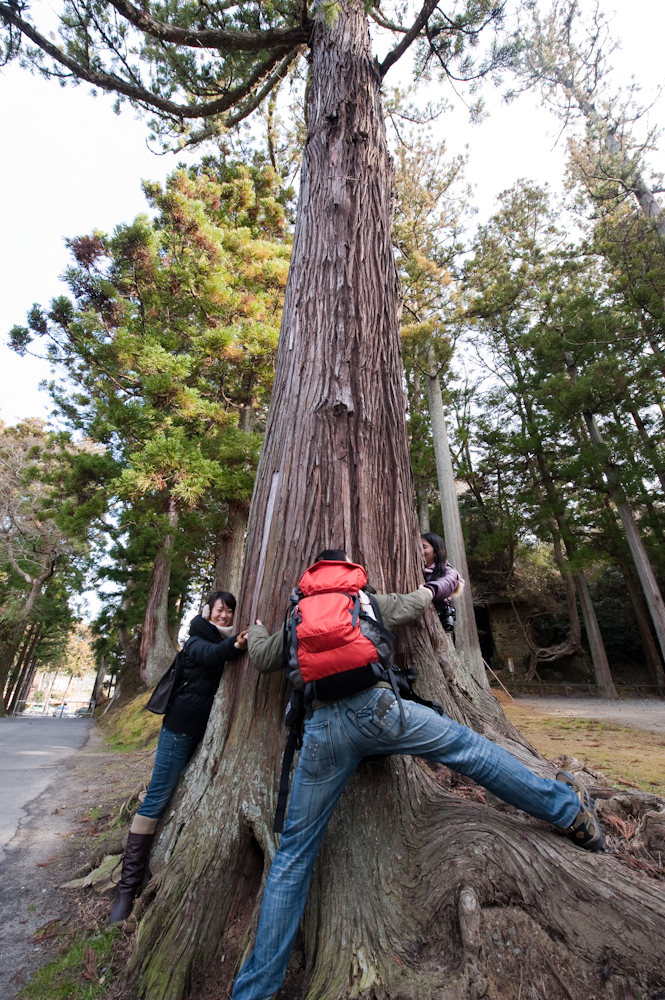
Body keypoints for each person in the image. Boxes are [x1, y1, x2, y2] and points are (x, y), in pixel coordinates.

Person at [230, 549, 604, 1000]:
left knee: (292, 857)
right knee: (470, 751)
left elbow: (266, 658)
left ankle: (254, 992)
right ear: (348, 569)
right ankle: (568, 811)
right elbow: (410, 605)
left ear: (310, 577)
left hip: (323, 731)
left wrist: (255, 630)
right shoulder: (362, 599)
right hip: (382, 711)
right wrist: (436, 586)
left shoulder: (297, 614)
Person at [109, 590, 248, 924]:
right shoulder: (198, 637)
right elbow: (213, 654)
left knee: (169, 791)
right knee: (157, 798)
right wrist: (237, 645)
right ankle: (127, 889)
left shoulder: (214, 634)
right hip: (179, 731)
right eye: (219, 609)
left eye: (229, 611)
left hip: (200, 733)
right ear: (208, 611)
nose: (224, 615)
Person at [421, 531, 460, 632]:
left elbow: (446, 584)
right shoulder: (413, 571)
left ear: (436, 551)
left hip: (438, 630)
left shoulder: (449, 571)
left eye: (423, 547)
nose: (419, 550)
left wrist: (429, 590)